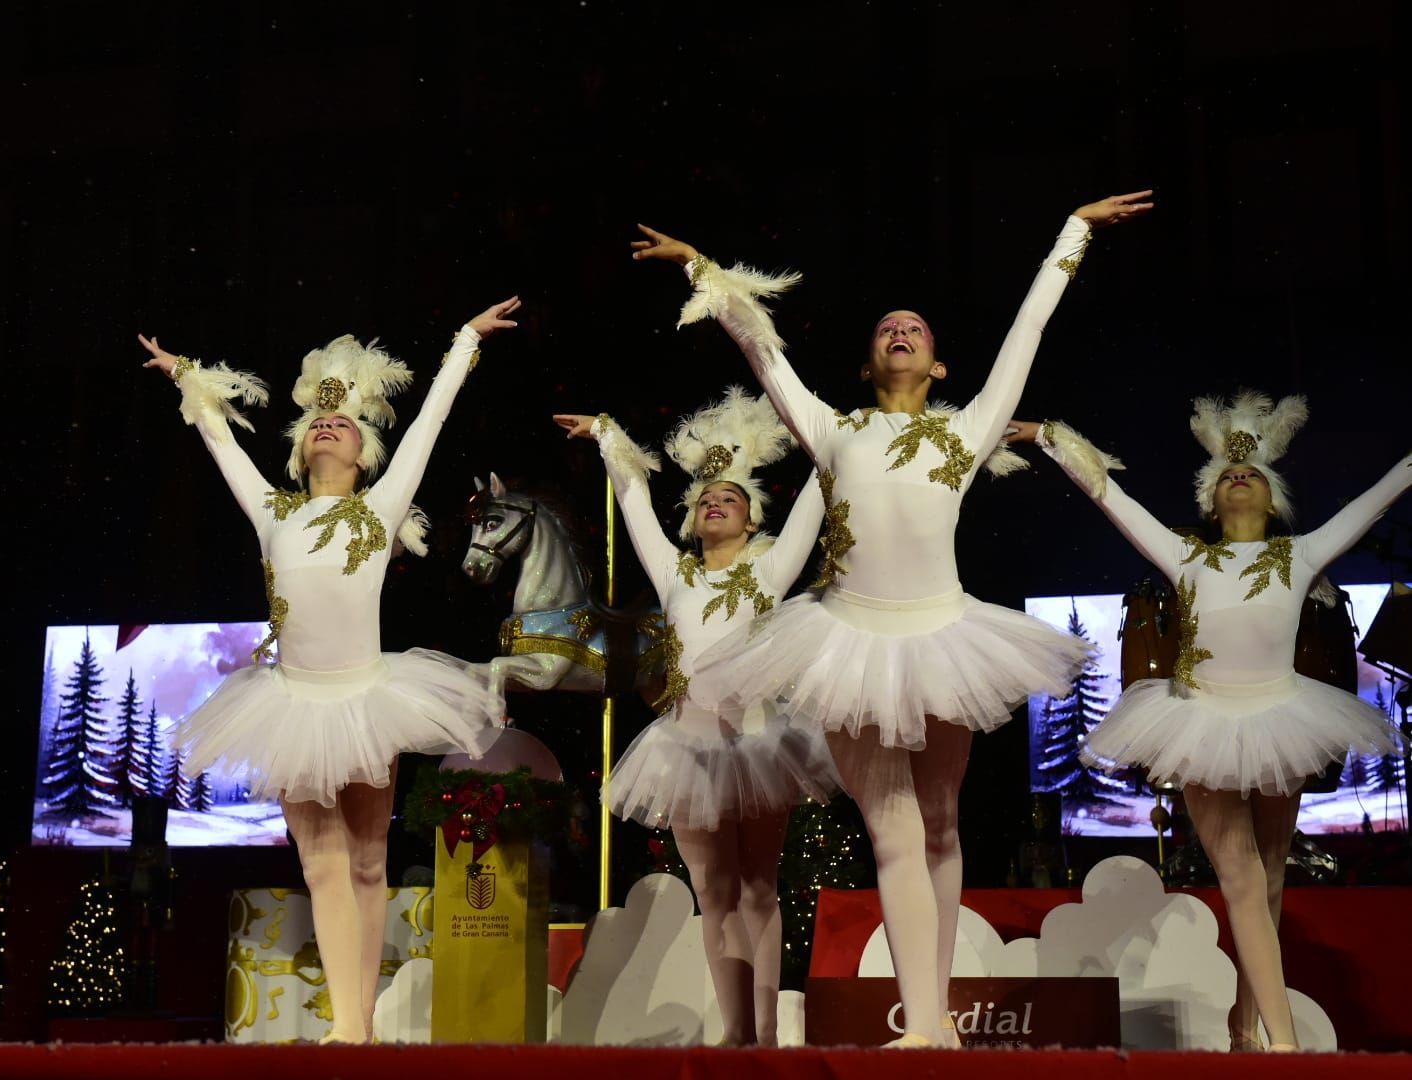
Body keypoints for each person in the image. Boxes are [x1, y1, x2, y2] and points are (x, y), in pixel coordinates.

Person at [629, 192, 1151, 1046]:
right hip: (851, 642)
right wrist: (701, 269)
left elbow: (1027, 333)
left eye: (916, 329)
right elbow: (763, 352)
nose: (900, 332)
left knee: (940, 823)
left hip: (946, 640)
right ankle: (927, 1026)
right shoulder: (834, 431)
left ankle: (936, 1013)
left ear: (940, 367)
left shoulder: (967, 431)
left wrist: (1074, 233)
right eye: (885, 330)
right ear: (869, 365)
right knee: (895, 828)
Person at [138, 297, 520, 1043]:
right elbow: (220, 442)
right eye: (317, 419)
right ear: (299, 447)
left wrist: (463, 342)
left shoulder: (379, 510)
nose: (327, 424)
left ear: (361, 454)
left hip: (367, 696)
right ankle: (351, 1029)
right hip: (290, 703)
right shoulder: (273, 513)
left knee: (369, 862)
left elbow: (429, 427)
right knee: (321, 864)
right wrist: (185, 374)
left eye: (342, 423)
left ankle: (361, 1023)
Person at [1009, 396, 1408, 1051]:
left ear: (1274, 498)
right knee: (1244, 876)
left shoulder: (1301, 555)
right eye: (1226, 474)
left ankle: (1244, 1024)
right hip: (1199, 723)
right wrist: (1052, 436)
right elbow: (1111, 496)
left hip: (1282, 716)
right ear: (1210, 500)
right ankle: (1284, 1045)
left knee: (1271, 875)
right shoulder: (1187, 557)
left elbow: (1375, 501)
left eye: (1250, 473)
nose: (1239, 476)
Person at [555, 389, 829, 1044]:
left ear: (752, 519)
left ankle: (764, 1032)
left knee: (760, 887)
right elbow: (635, 505)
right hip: (686, 748)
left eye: (729, 500)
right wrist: (608, 434)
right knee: (716, 893)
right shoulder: (677, 576)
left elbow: (819, 499)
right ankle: (736, 1031)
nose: (714, 504)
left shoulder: (770, 570)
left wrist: (828, 436)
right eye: (706, 500)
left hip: (762, 744)